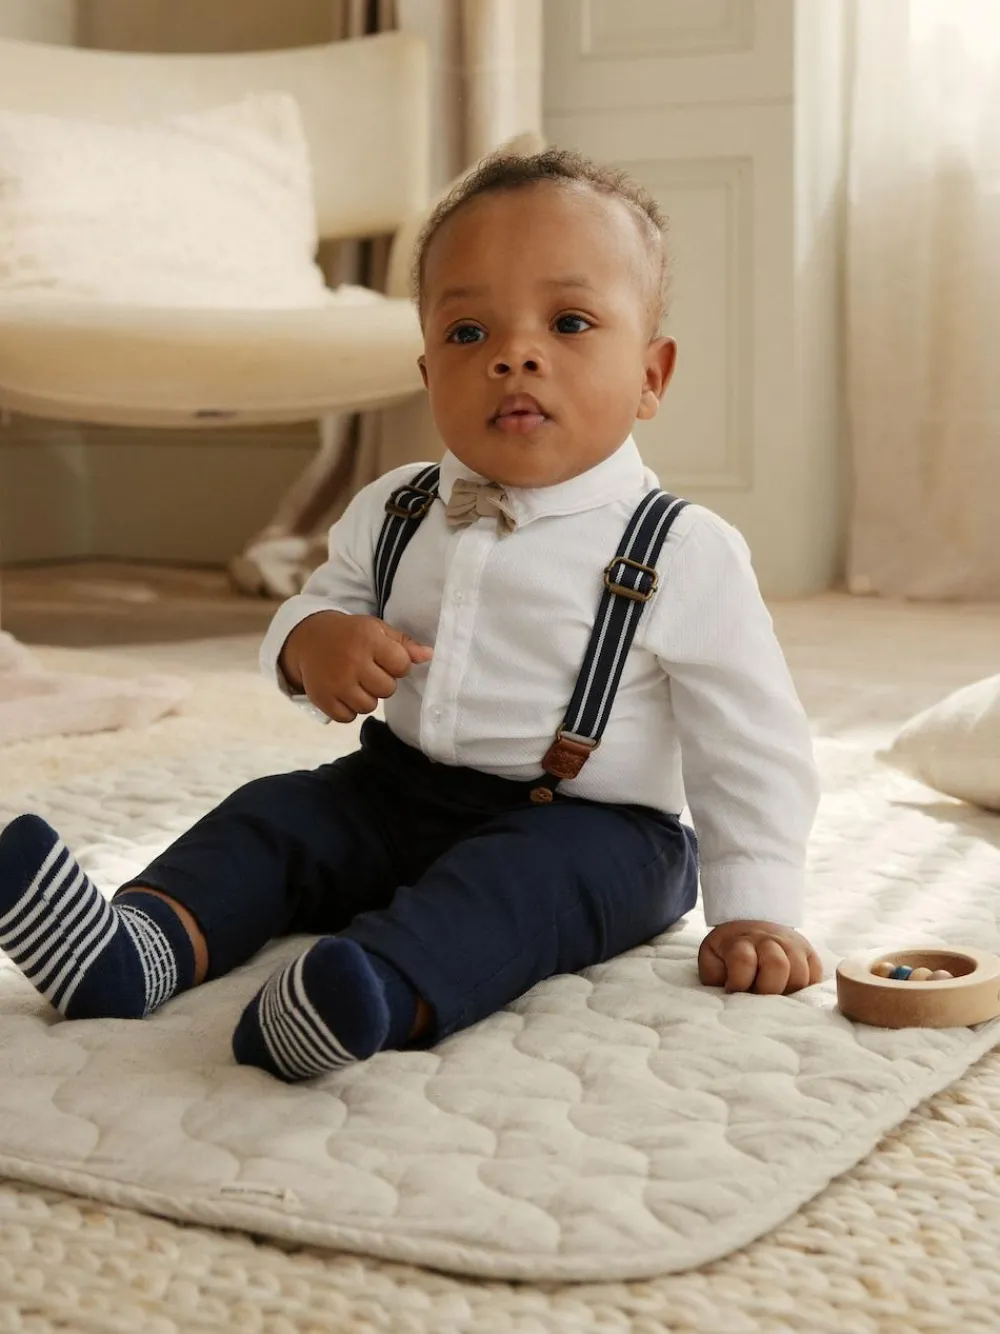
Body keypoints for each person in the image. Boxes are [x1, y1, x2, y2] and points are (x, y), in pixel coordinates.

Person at [0, 149, 822, 1083]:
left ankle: (371, 992)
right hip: (394, 790)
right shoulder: (393, 506)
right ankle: (138, 947)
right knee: (276, 817)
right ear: (429, 372)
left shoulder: (683, 549)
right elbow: (322, 601)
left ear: (651, 376)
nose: (515, 354)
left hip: (593, 830)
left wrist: (757, 906)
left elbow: (751, 739)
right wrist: (313, 642)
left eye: (569, 322)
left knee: (508, 895)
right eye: (470, 331)